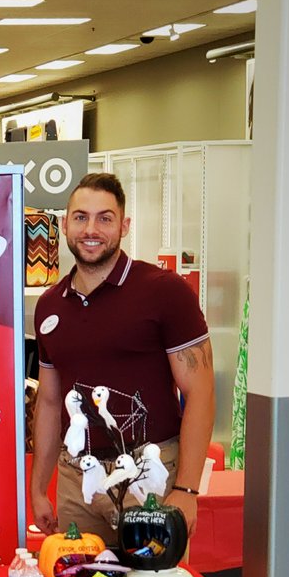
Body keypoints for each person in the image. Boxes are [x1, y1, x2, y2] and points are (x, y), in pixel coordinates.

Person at [30, 172, 215, 545]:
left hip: (149, 473)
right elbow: (49, 402)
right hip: (77, 479)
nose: (91, 229)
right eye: (81, 217)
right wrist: (38, 488)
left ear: (124, 225)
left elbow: (202, 392)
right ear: (65, 225)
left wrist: (187, 489)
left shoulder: (164, 292)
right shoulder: (50, 305)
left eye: (105, 218)